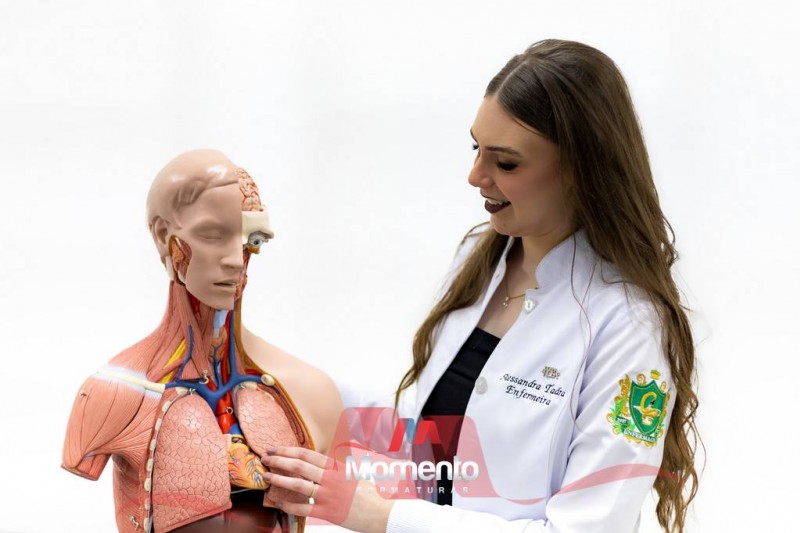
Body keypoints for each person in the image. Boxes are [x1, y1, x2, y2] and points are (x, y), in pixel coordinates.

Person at [259, 38, 700, 533]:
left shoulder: (629, 325)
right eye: (476, 148)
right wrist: (268, 370)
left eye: (505, 163)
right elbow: (438, 440)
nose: (475, 176)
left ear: (582, 170)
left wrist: (376, 514)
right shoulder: (482, 259)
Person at [61, 149, 343, 532]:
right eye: (213, 235)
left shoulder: (308, 392)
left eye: (252, 240)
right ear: (165, 237)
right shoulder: (116, 391)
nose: (236, 260)